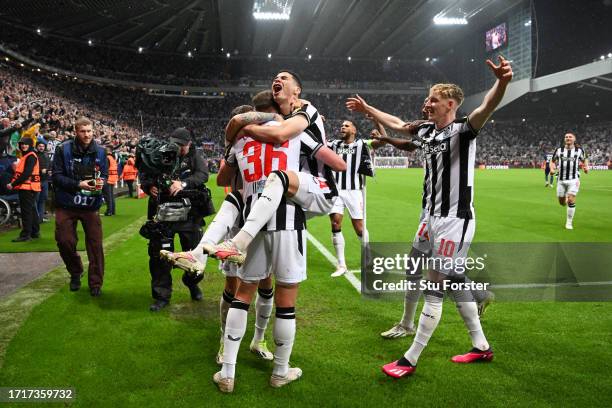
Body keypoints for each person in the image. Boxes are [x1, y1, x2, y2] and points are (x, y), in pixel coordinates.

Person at [347, 55, 513, 377]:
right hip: (430, 219)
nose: (427, 104)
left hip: (455, 220)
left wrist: (502, 82)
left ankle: (409, 359)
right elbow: (397, 123)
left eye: (433, 100)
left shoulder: (465, 130)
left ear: (450, 104)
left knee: (434, 286)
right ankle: (481, 346)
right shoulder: (425, 130)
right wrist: (368, 110)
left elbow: (486, 108)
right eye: (427, 99)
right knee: (449, 279)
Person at [139, 127, 209, 312]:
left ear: (189, 145)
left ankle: (192, 282)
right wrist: (148, 186)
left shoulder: (194, 156)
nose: (177, 148)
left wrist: (183, 183)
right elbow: (144, 173)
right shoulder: (160, 152)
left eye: (181, 146)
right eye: (175, 144)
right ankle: (162, 296)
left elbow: (203, 175)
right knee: (159, 256)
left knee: (195, 254)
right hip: (162, 214)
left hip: (189, 213)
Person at [52, 117, 107, 297]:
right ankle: (76, 272)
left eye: (89, 131)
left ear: (93, 131)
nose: (87, 135)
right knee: (64, 241)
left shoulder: (101, 151)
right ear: (76, 131)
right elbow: (57, 177)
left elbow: (104, 175)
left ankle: (95, 284)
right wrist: (79, 184)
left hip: (90, 205)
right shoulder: (63, 149)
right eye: (83, 131)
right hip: (66, 204)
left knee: (95, 245)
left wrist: (100, 183)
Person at [327, 120, 383, 277]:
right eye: (342, 125)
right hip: (336, 191)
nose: (342, 127)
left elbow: (382, 141)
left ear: (354, 130)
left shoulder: (362, 144)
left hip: (354, 191)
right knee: (335, 223)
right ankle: (341, 264)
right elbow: (318, 143)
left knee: (359, 227)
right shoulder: (334, 144)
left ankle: (369, 259)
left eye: (346, 126)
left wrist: (378, 123)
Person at [550, 133, 588, 230]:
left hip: (573, 179)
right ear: (564, 139)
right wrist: (552, 168)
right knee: (562, 203)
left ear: (574, 139)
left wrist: (586, 167)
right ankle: (566, 198)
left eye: (570, 137)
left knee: (571, 200)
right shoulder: (559, 150)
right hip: (561, 180)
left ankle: (569, 223)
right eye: (566, 137)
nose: (568, 138)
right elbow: (552, 161)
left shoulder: (579, 151)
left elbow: (585, 159)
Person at [7, 137, 41, 241]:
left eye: (26, 144)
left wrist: (13, 184)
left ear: (30, 145)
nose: (23, 146)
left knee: (27, 212)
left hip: (27, 187)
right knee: (32, 210)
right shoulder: (28, 155)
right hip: (31, 187)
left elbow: (26, 173)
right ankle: (35, 232)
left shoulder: (30, 156)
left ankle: (25, 235)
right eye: (22, 144)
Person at [35, 140, 50, 222]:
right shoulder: (34, 155)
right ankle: (35, 218)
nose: (41, 148)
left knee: (43, 199)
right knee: (36, 200)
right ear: (36, 147)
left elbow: (49, 165)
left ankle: (40, 218)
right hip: (36, 181)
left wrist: (49, 170)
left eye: (43, 146)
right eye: (40, 146)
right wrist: (40, 171)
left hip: (45, 180)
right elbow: (31, 168)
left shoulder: (46, 155)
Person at [103, 147, 118, 216]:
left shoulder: (107, 158)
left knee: (108, 196)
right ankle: (112, 211)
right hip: (113, 178)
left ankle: (109, 211)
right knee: (111, 196)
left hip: (108, 178)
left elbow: (105, 168)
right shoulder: (113, 158)